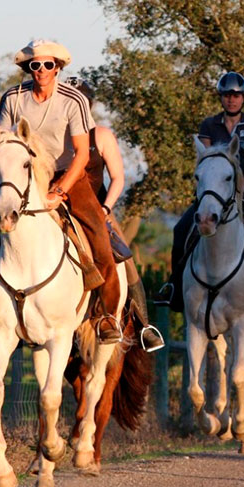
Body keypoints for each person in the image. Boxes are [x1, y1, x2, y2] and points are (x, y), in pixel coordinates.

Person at [0, 40, 122, 341]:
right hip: (23, 172)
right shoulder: (13, 98)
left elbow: (82, 154)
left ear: (57, 67)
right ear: (27, 68)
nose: (42, 70)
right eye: (35, 65)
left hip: (66, 173)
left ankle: (107, 316)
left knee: (99, 234)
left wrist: (60, 189)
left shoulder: (73, 100)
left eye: (48, 64)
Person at [154, 71, 244, 316]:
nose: (232, 100)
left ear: (243, 98)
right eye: (227, 95)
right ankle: (174, 286)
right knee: (180, 230)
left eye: (236, 96)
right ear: (221, 98)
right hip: (215, 191)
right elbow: (206, 160)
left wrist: (241, 185)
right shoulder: (209, 125)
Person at [66, 76, 162, 349]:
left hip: (97, 208)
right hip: (57, 205)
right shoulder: (53, 136)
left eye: (79, 102)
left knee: (124, 258)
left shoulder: (102, 135)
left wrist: (106, 208)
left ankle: (143, 324)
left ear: (88, 105)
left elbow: (118, 177)